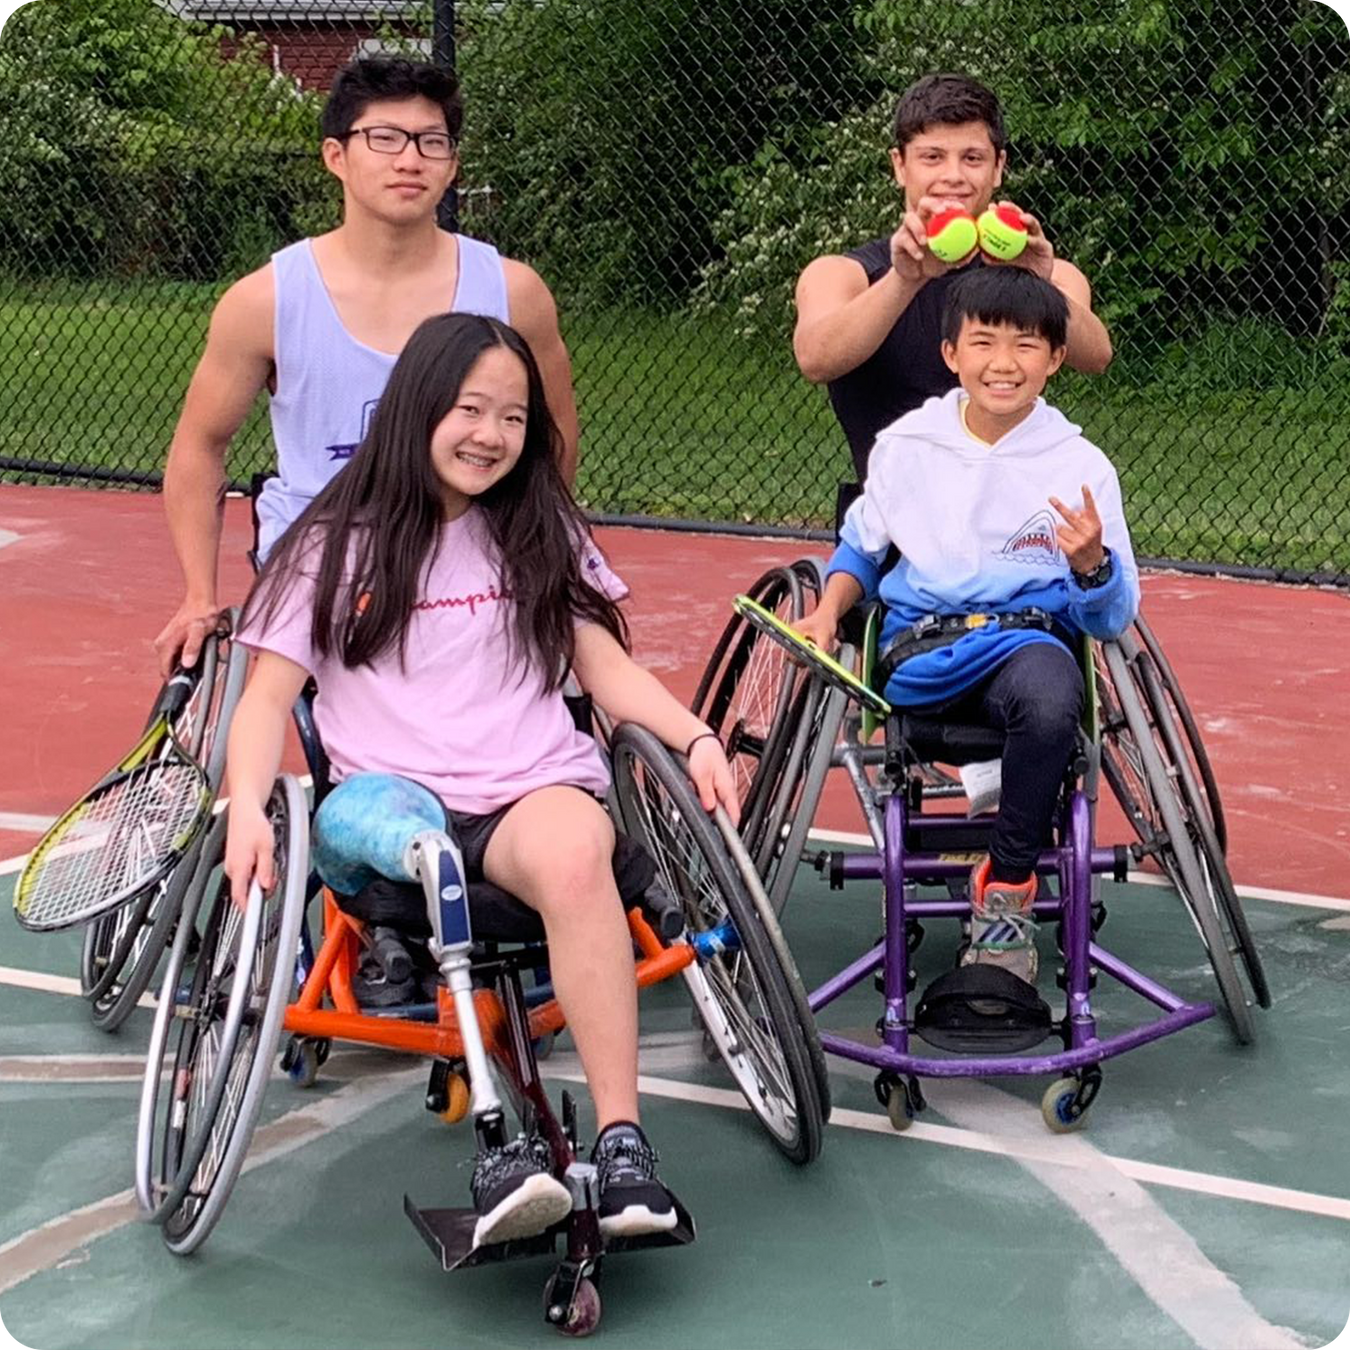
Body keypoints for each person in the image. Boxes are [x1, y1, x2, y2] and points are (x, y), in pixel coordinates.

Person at [223, 311, 737, 1247]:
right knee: (428, 852)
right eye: (469, 409)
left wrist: (696, 736)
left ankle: (623, 1149)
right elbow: (264, 703)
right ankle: (502, 1142)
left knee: (581, 843)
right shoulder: (332, 541)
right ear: (418, 408)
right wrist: (248, 811)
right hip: (386, 803)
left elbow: (606, 673)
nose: (490, 435)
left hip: (523, 792)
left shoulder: (540, 532)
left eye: (512, 417)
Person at [155, 56, 579, 676]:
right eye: (385, 138)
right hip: (324, 561)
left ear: (452, 165)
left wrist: (540, 552)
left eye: (432, 142)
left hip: (472, 554)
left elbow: (555, 437)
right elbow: (198, 448)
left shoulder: (513, 293)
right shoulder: (265, 302)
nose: (410, 160)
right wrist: (198, 595)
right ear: (336, 156)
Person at [794, 268, 1139, 987]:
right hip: (923, 651)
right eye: (983, 342)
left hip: (1027, 644)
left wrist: (1091, 564)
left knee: (1052, 700)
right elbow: (860, 547)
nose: (1003, 363)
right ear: (951, 354)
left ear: (1053, 358)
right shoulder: (907, 444)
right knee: (1017, 690)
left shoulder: (1081, 466)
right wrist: (827, 614)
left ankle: (1005, 896)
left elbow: (1112, 615)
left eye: (1026, 346)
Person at [793, 72, 1114, 489]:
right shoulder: (842, 274)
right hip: (890, 531)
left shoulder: (1048, 272)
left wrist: (1038, 278)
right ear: (899, 166)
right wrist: (905, 280)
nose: (953, 175)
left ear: (998, 167)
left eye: (972, 158)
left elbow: (1097, 356)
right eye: (932, 157)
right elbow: (816, 359)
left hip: (1012, 522)